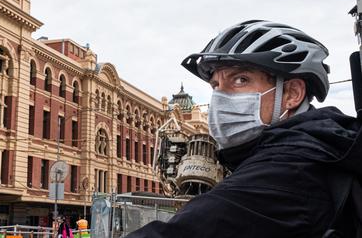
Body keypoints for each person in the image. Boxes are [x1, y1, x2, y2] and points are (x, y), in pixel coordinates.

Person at [128, 20, 362, 238]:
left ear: (291, 94)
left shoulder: (286, 172)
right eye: (216, 85)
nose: (220, 97)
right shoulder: (322, 147)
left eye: (240, 80)